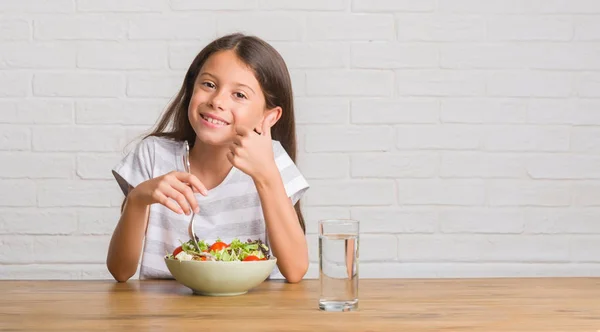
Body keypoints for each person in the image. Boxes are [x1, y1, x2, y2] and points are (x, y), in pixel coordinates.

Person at [106, 33, 310, 283]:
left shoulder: (273, 160)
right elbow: (120, 270)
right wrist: (137, 199)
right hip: (166, 313)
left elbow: (296, 270)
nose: (217, 101)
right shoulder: (153, 155)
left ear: (268, 117)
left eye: (240, 95)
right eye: (209, 85)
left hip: (254, 314)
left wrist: (266, 174)